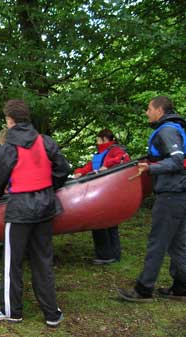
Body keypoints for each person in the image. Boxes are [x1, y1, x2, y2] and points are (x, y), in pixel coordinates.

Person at [0, 99, 70, 327]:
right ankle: (52, 314)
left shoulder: (7, 149)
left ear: (9, 121)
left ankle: (12, 311)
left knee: (12, 263)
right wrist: (48, 186)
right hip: (45, 208)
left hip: (20, 211)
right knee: (43, 260)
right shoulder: (45, 141)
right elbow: (62, 169)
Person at [118, 96, 186, 302]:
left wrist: (151, 168)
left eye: (149, 108)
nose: (147, 112)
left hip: (171, 194)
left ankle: (143, 290)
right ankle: (181, 288)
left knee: (157, 242)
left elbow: (176, 161)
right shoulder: (178, 128)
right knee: (180, 243)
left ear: (159, 110)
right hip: (181, 193)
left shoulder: (167, 130)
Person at [73, 129, 130, 264]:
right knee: (109, 223)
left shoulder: (115, 151)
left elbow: (124, 159)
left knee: (100, 221)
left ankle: (106, 256)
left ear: (104, 139)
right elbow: (90, 167)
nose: (97, 142)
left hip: (108, 192)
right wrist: (79, 172)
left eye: (98, 139)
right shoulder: (100, 154)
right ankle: (113, 255)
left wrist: (106, 166)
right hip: (104, 192)